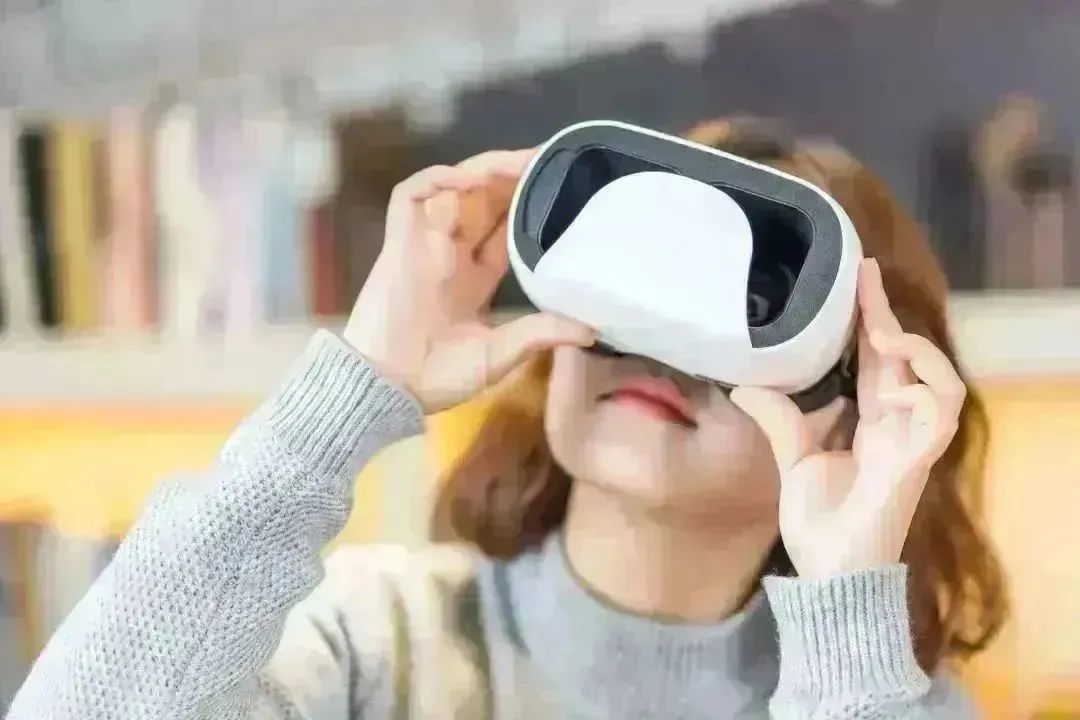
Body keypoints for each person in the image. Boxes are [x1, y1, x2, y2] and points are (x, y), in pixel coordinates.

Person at [9, 118, 1006, 719]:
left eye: (743, 311)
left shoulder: (880, 698)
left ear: (860, 410)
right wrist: (352, 390)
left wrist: (847, 614)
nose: (657, 352)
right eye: (641, 289)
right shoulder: (375, 644)